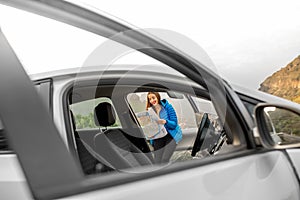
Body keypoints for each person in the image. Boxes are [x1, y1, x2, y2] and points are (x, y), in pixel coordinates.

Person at [146, 91, 182, 164]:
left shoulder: (168, 107)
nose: (152, 100)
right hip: (158, 136)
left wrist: (166, 122)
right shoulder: (150, 111)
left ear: (157, 97)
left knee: (164, 159)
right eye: (150, 99)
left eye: (153, 98)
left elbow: (174, 124)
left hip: (170, 135)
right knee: (157, 160)